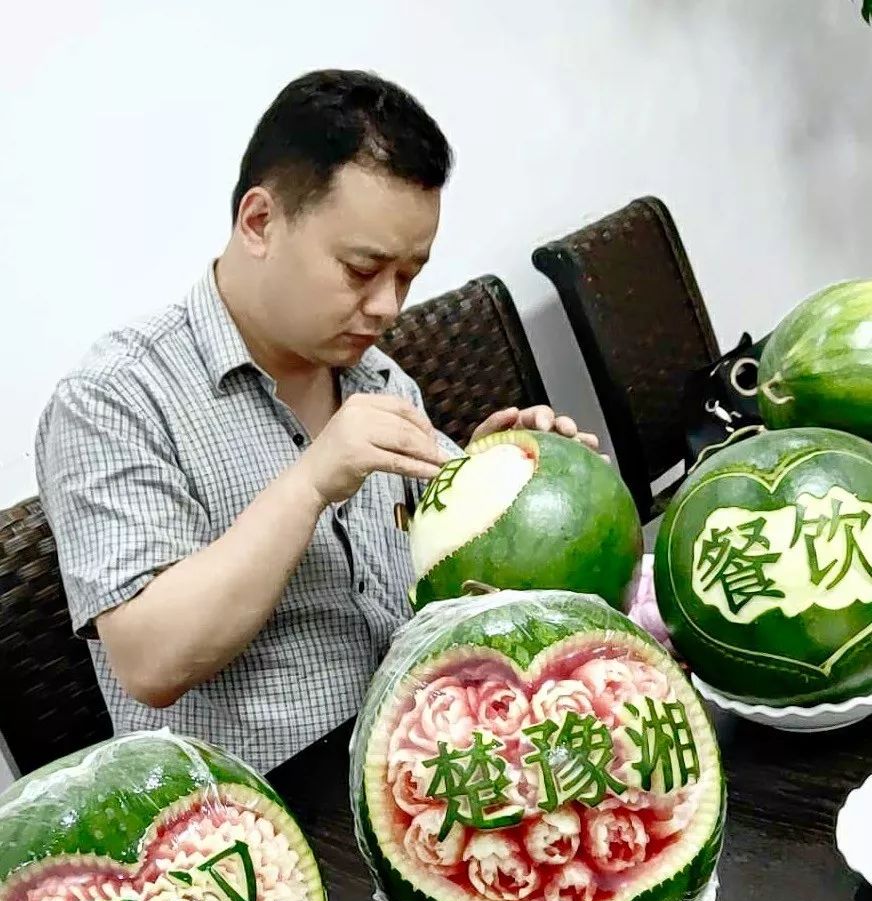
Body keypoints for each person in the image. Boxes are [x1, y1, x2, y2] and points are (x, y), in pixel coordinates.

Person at [36, 69, 597, 773]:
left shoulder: (375, 375)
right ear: (260, 223)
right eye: (362, 270)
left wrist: (495, 483)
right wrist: (309, 485)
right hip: (266, 803)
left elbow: (450, 567)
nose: (388, 306)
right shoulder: (114, 398)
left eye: (408, 275)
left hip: (431, 753)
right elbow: (149, 660)